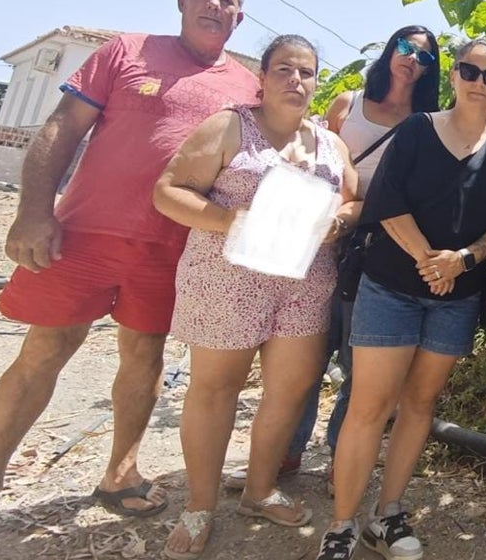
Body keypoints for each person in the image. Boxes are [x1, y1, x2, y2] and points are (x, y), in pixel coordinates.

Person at [0, 0, 260, 551]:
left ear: (239, 17)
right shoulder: (124, 52)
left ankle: (120, 472)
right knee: (45, 348)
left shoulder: (246, 88)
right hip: (85, 234)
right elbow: (64, 124)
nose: (215, 4)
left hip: (172, 247)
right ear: (181, 1)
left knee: (144, 354)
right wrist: (34, 210)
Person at [315, 38, 486, 560]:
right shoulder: (417, 130)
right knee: (370, 406)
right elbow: (385, 202)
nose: (480, 83)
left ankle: (386, 516)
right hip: (391, 287)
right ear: (454, 76)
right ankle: (341, 526)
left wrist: (463, 260)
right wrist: (430, 260)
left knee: (420, 406)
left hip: (457, 299)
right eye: (470, 71)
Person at [152, 35, 360, 558]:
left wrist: (339, 219)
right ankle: (200, 505)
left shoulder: (330, 144)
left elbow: (353, 197)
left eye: (307, 72)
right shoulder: (229, 127)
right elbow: (169, 190)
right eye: (284, 70)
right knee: (215, 389)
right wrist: (232, 220)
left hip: (304, 282)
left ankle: (259, 489)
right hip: (228, 278)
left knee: (289, 389)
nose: (296, 80)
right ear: (263, 78)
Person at [277, 26, 441, 494]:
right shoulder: (347, 103)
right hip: (321, 241)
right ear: (391, 49)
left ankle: (340, 459)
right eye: (406, 48)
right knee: (304, 354)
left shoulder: (427, 121)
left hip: (378, 246)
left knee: (358, 365)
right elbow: (316, 163)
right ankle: (285, 451)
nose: (412, 59)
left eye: (424, 57)